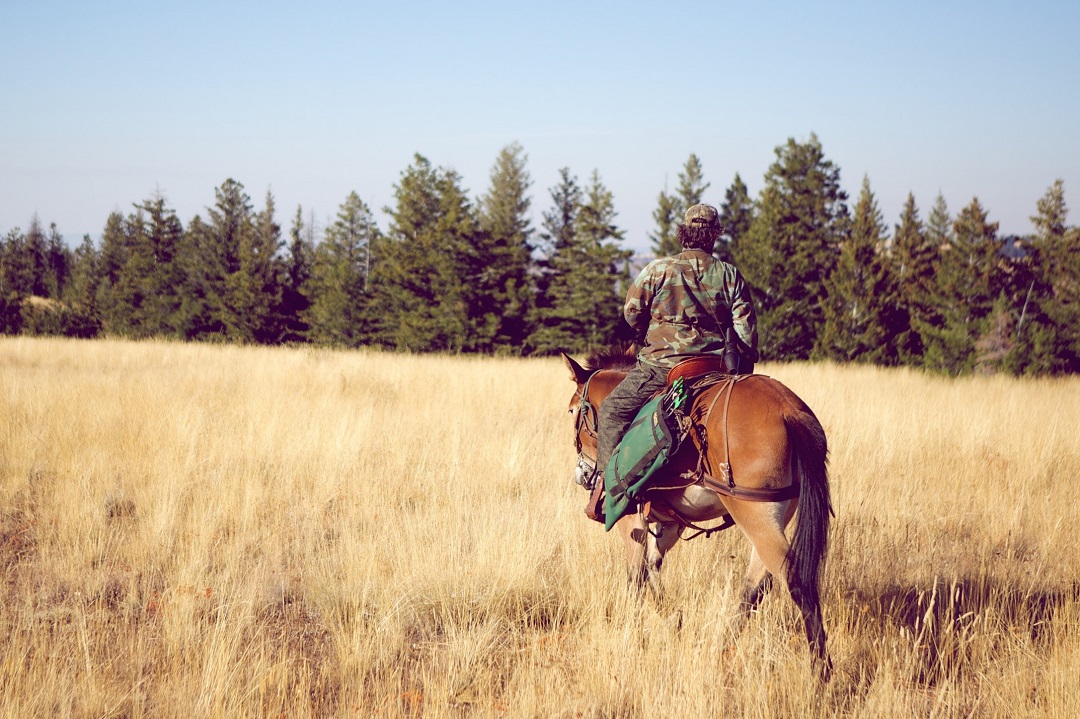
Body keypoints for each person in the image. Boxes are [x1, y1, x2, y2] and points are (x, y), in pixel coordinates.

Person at [594, 203, 759, 478]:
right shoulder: (730, 275)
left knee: (611, 410)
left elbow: (632, 312)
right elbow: (746, 335)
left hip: (661, 367)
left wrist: (652, 332)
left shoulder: (658, 269)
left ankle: (606, 486)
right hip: (714, 367)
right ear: (715, 235)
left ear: (684, 233)